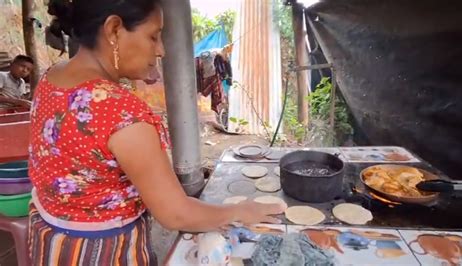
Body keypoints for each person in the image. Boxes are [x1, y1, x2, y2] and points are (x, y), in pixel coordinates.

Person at [28, 0, 284, 264]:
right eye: (153, 36)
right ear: (114, 29)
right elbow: (175, 213)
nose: (161, 50)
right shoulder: (120, 113)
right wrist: (240, 211)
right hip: (101, 252)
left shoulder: (51, 78)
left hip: (52, 243)